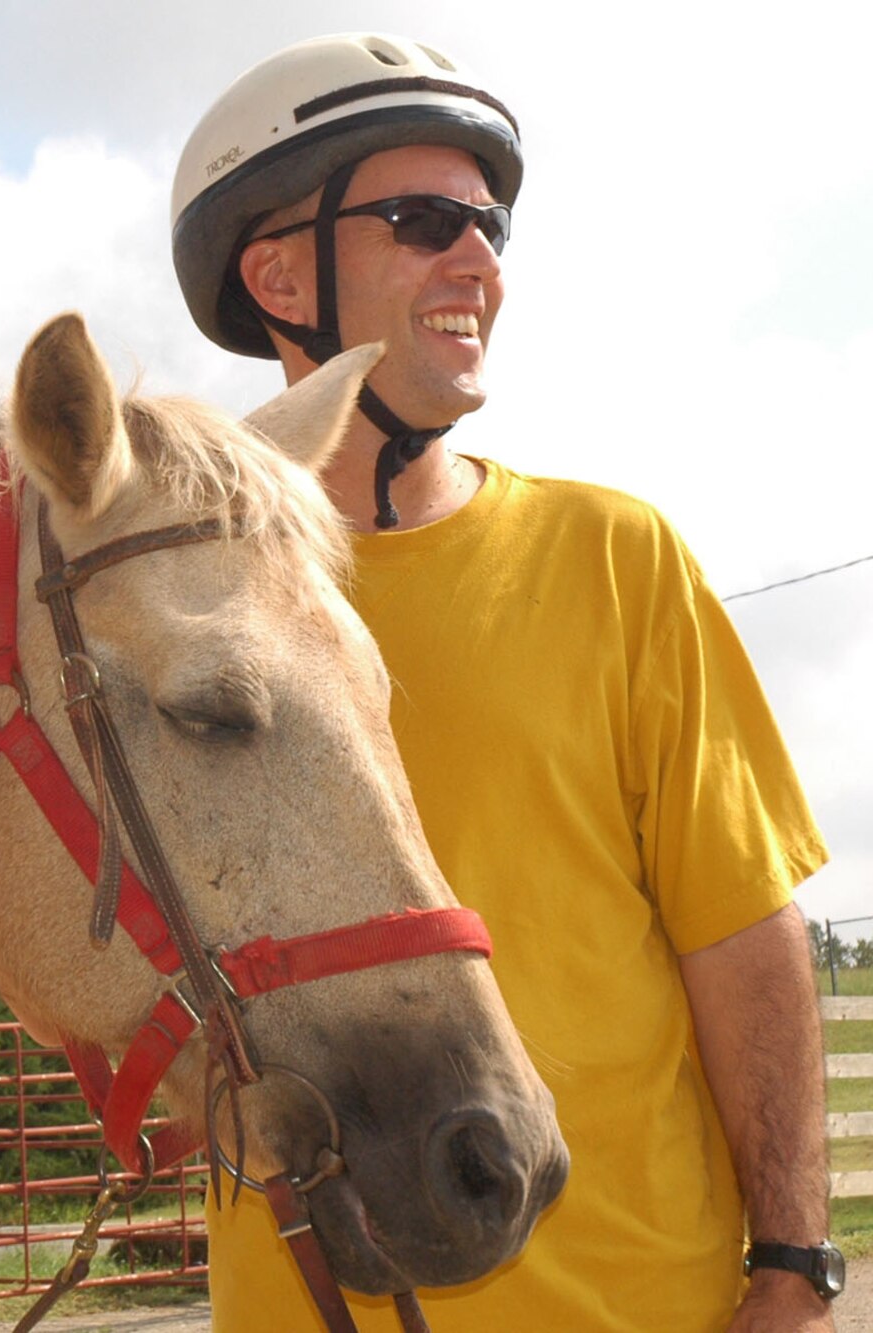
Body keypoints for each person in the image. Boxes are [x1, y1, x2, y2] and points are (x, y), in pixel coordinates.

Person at [170, 33, 835, 1332]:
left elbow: (746, 943)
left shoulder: (616, 560)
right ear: (279, 272)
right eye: (424, 222)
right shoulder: (189, 612)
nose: (479, 261)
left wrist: (795, 1268)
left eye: (490, 227)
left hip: (646, 1310)